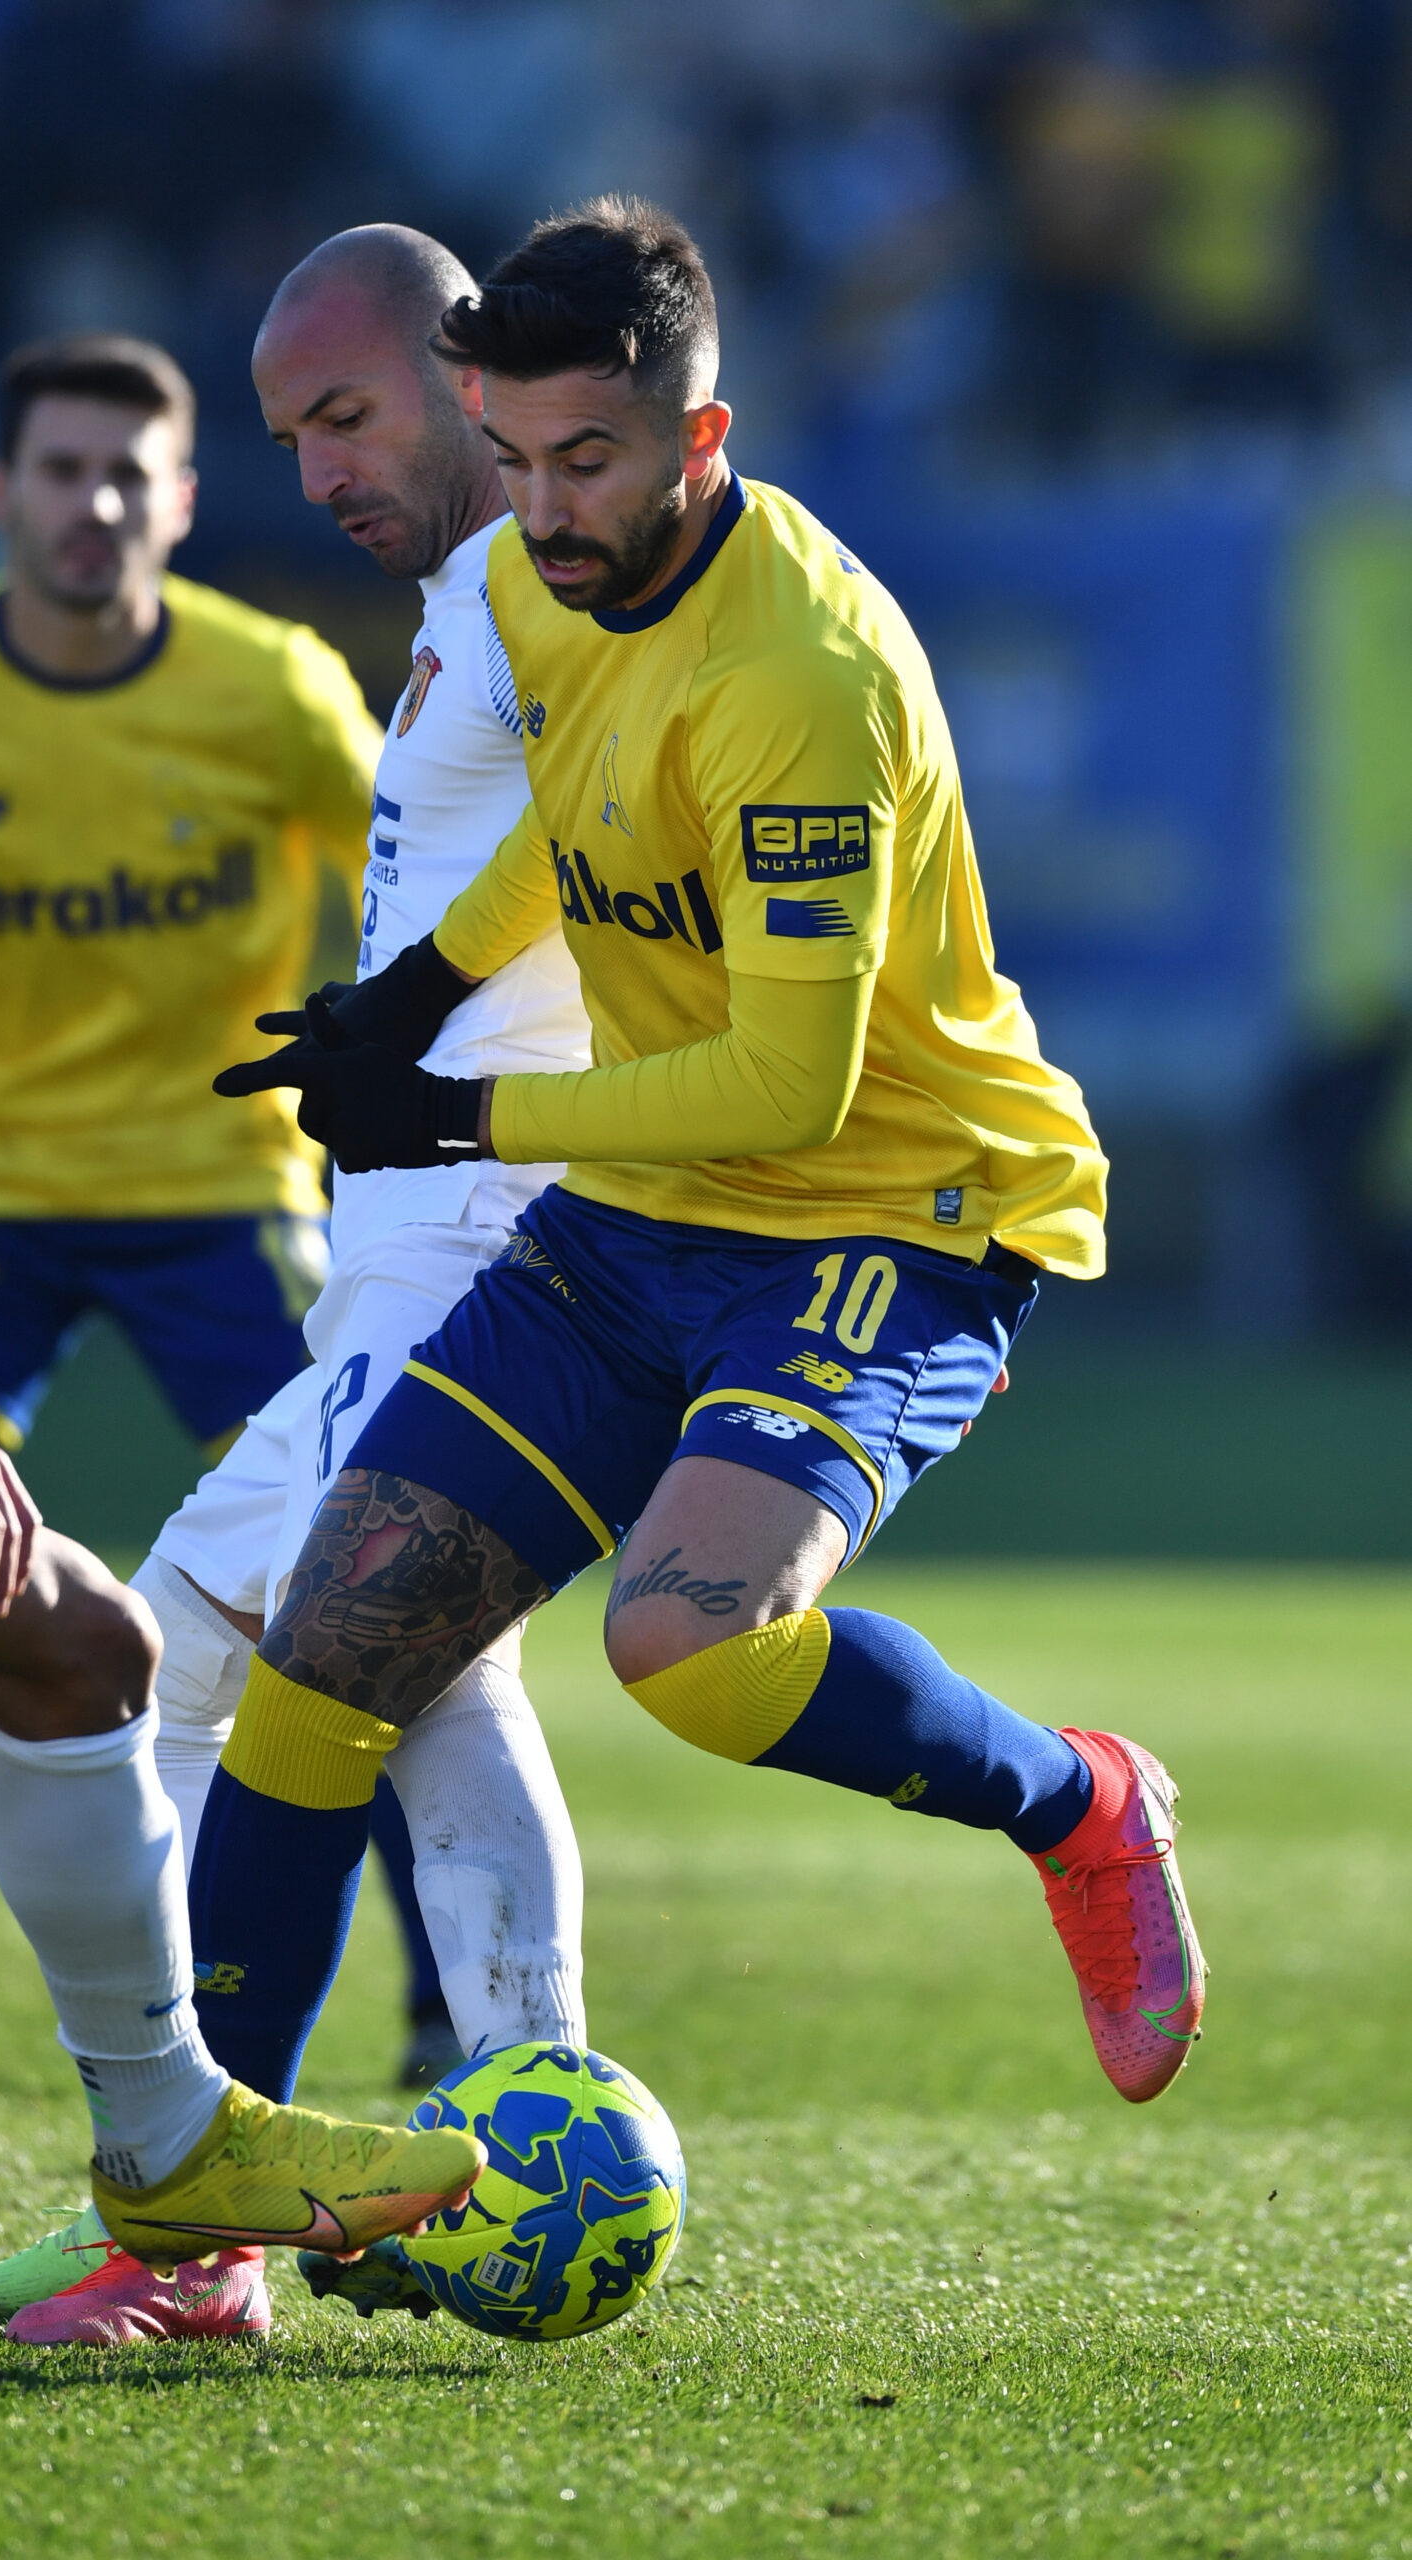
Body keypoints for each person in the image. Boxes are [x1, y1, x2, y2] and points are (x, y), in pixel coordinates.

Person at [194, 200, 1208, 2259]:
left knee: (682, 1643)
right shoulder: (529, 570)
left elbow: (787, 1086)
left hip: (895, 1214)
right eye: (513, 456)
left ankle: (1080, 1804)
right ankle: (206, 2221)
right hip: (641, 1213)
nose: (543, 509)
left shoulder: (799, 676)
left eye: (589, 460)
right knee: (322, 1662)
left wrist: (463, 1105)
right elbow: (578, 824)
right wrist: (415, 993)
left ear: (701, 435)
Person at [0, 256, 483, 2335]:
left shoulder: (265, 690)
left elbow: (415, 879)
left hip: (204, 1199)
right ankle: (161, 2137)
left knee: (355, 1565)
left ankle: (424, 2000)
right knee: (74, 1641)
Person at [0, 224, 595, 2338]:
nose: (318, 470)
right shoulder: (468, 608)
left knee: (192, 1659)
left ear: (467, 384)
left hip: (478, 1261)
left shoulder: (553, 599)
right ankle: (497, 2144)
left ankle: (207, 2222)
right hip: (405, 1260)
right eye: (292, 432)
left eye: (346, 416)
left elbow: (664, 851)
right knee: (391, 1678)